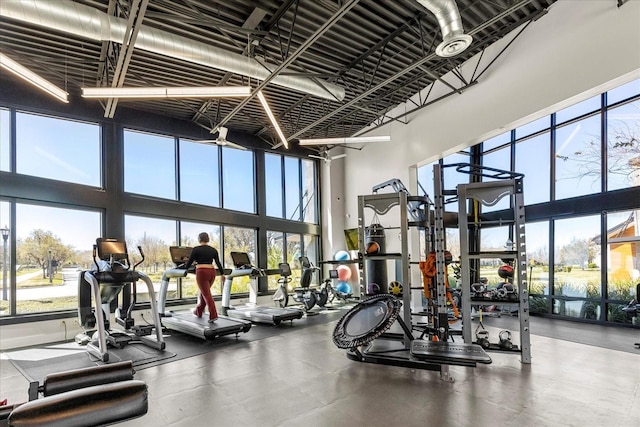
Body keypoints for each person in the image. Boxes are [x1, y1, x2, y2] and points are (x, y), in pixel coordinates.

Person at [183, 232, 225, 322]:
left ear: (199, 239)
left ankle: (213, 315)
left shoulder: (196, 249)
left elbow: (189, 263)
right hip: (212, 272)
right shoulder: (213, 250)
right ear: (208, 239)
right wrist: (222, 274)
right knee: (205, 293)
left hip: (202, 272)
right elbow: (218, 263)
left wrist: (183, 267)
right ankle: (198, 311)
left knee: (206, 294)